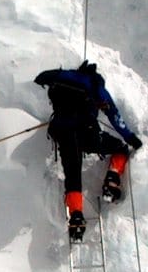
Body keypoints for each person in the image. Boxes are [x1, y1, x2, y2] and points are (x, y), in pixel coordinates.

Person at [34, 60, 142, 241]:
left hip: (63, 133)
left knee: (72, 174)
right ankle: (112, 180)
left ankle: (76, 217)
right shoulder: (95, 85)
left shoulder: (65, 76)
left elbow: (41, 77)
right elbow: (114, 116)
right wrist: (131, 138)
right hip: (87, 135)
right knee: (120, 148)